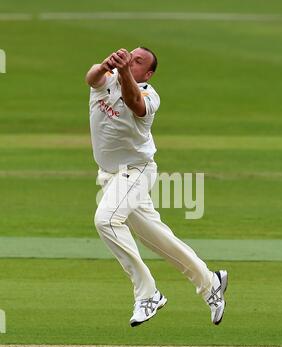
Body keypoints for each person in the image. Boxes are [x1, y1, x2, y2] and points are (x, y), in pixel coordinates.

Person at [86, 47, 228, 327]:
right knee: (159, 238)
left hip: (136, 173)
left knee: (106, 220)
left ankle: (148, 293)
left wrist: (124, 71)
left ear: (147, 73)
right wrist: (106, 64)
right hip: (110, 176)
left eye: (137, 62)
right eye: (129, 56)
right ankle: (210, 282)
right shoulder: (106, 78)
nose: (129, 61)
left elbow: (134, 102)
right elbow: (91, 78)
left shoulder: (150, 96)